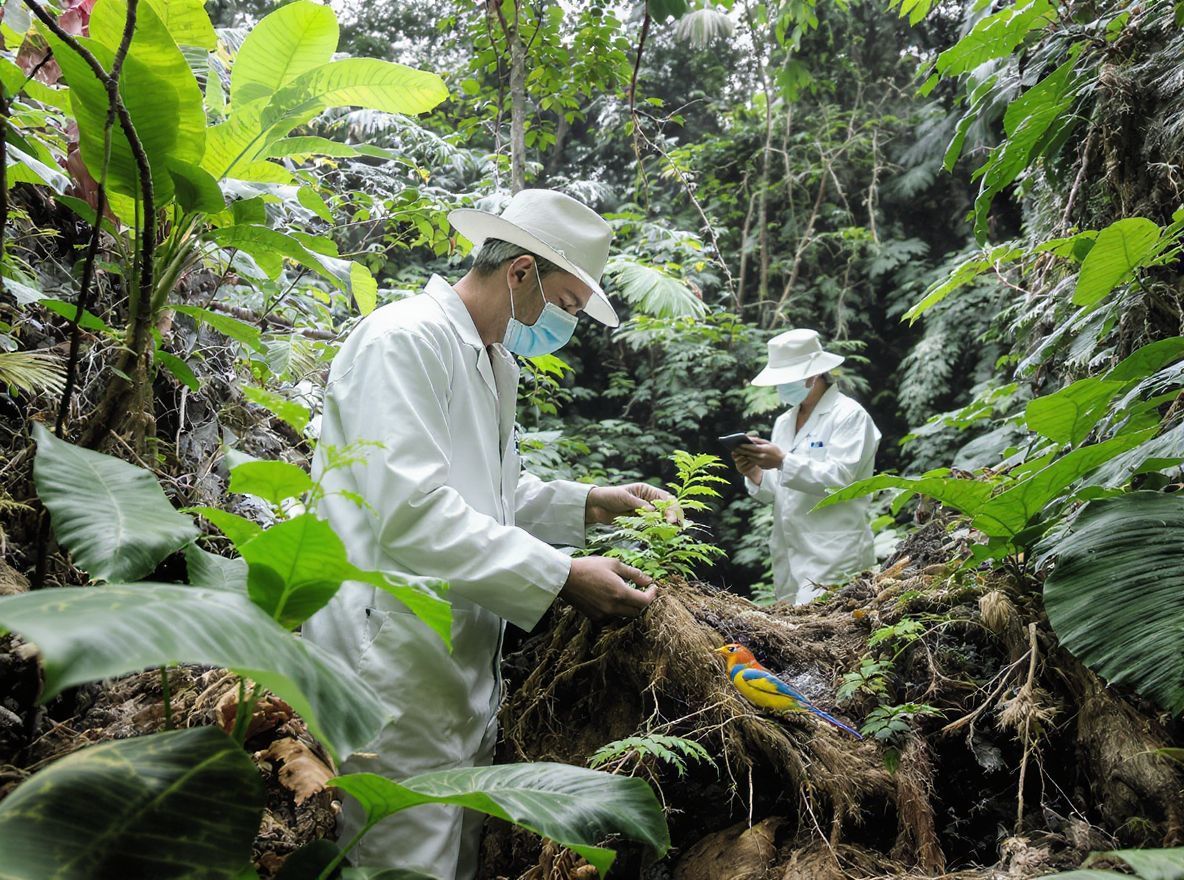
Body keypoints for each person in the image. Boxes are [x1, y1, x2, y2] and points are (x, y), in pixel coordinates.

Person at [303, 189, 676, 877]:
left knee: (452, 854)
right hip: (392, 656)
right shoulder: (404, 340)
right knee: (401, 858)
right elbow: (410, 510)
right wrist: (562, 578)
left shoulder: (489, 359)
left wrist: (593, 503)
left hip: (453, 664)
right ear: (521, 273)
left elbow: (493, 497)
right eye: (565, 305)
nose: (563, 324)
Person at [731, 328, 881, 604]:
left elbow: (841, 479)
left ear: (813, 374)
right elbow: (779, 492)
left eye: (787, 379)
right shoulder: (784, 422)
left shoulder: (849, 416)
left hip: (835, 553)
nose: (782, 388)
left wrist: (783, 461)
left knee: (836, 637)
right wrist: (754, 472)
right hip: (790, 553)